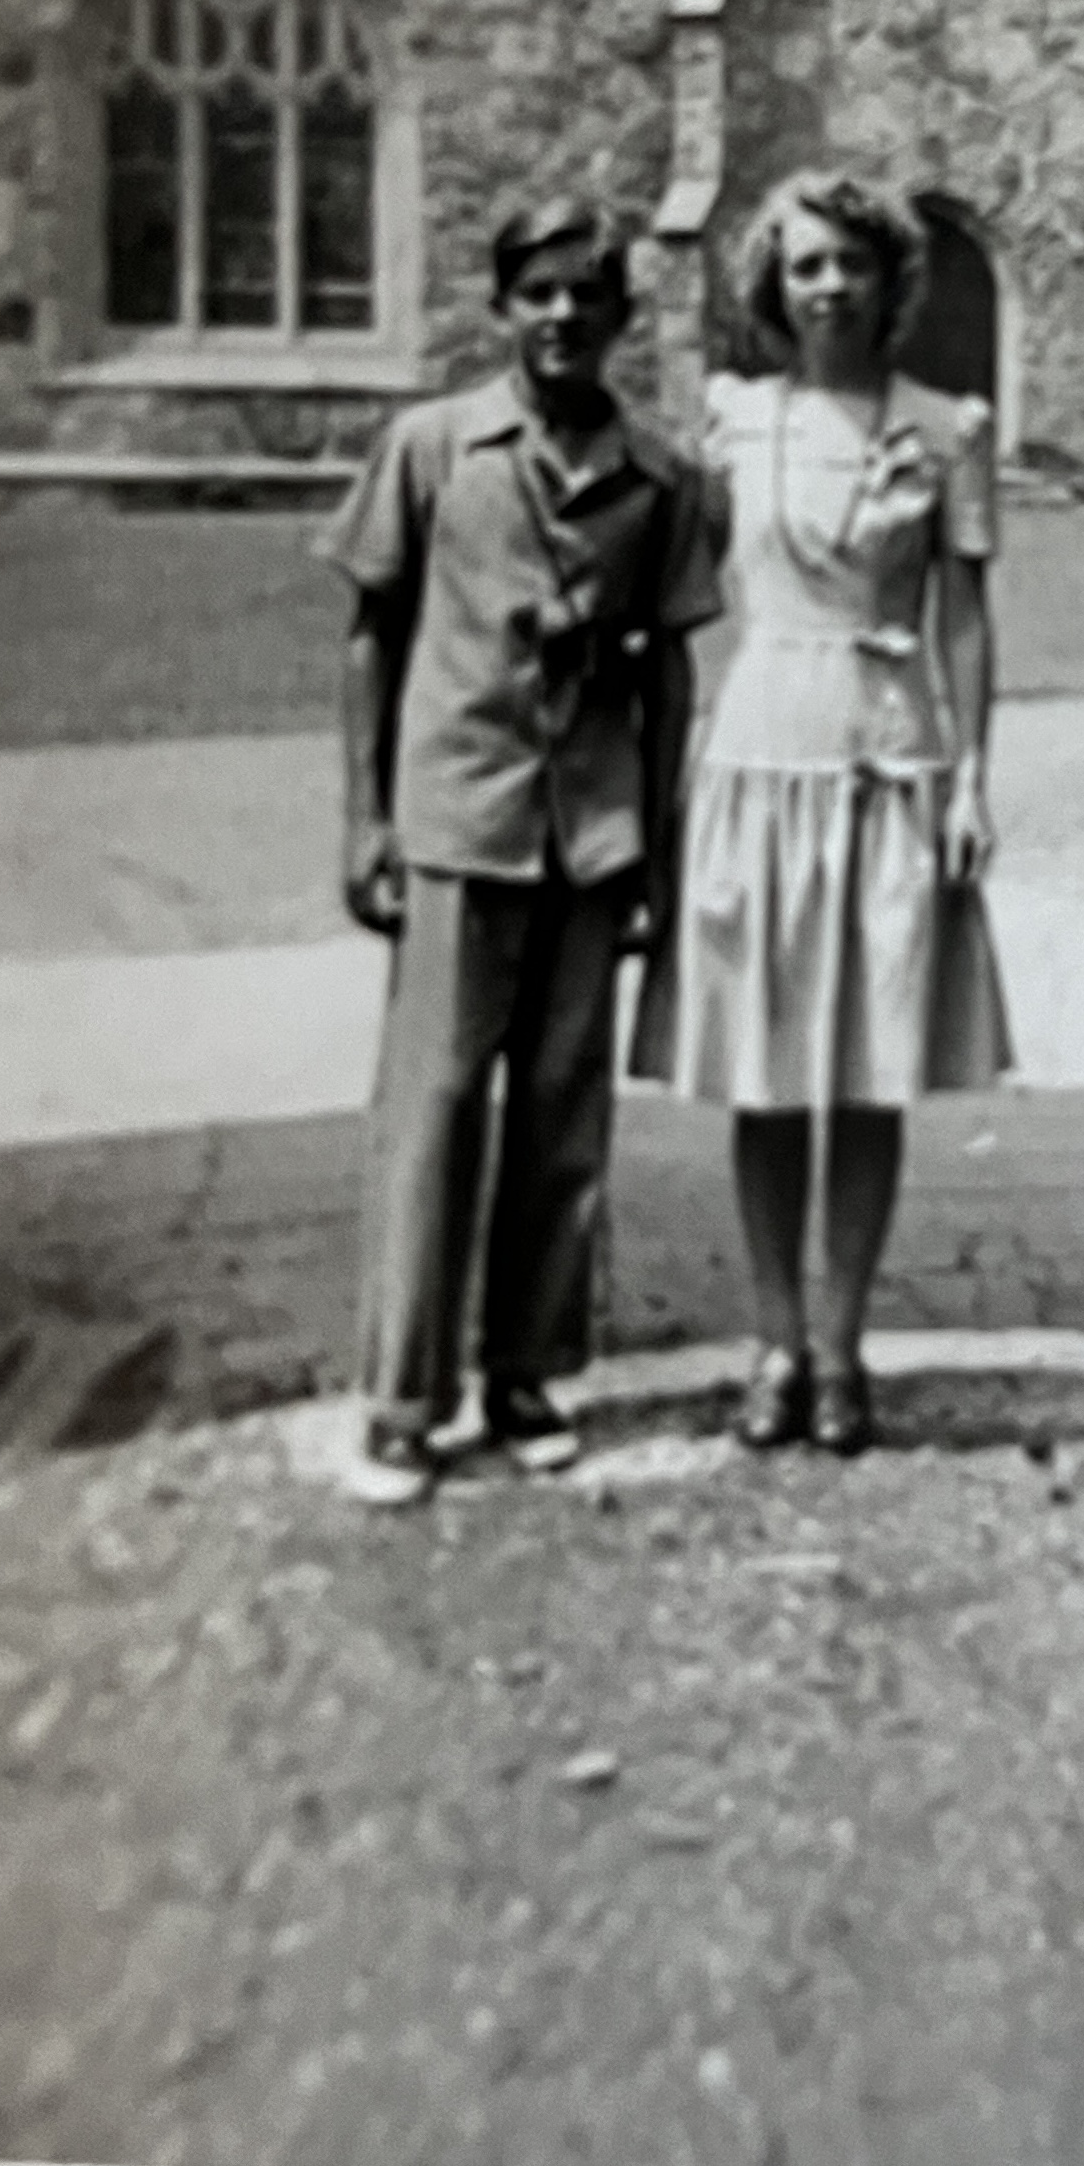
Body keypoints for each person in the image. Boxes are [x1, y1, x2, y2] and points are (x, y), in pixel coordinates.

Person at [317, 197, 722, 1508]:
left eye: (587, 293)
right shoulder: (434, 447)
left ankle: (532, 1375)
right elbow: (374, 633)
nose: (563, 314)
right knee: (431, 1112)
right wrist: (365, 815)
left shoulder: (662, 481)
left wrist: (657, 851)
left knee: (562, 1119)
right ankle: (401, 1398)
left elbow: (671, 679)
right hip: (458, 820)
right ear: (504, 305)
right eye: (539, 290)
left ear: (621, 314)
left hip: (592, 839)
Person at [639, 167, 1010, 1457]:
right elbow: (671, 598)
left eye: (852, 262)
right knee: (766, 1068)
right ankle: (772, 1342)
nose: (831, 286)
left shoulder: (949, 427)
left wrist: (969, 778)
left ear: (891, 278)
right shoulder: (731, 423)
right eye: (806, 266)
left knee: (867, 1070)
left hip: (887, 751)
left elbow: (962, 619)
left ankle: (846, 1351)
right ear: (773, 287)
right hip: (759, 746)